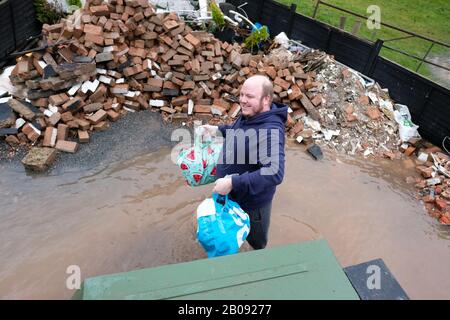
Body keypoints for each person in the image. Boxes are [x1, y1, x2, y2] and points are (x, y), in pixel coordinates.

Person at [200, 75, 288, 250]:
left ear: (266, 100)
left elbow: (275, 172)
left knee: (257, 244)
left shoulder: (270, 130)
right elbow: (239, 132)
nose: (243, 101)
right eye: (242, 95)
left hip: (252, 206)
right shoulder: (251, 114)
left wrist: (233, 182)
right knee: (226, 235)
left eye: (250, 97)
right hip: (232, 195)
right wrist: (217, 130)